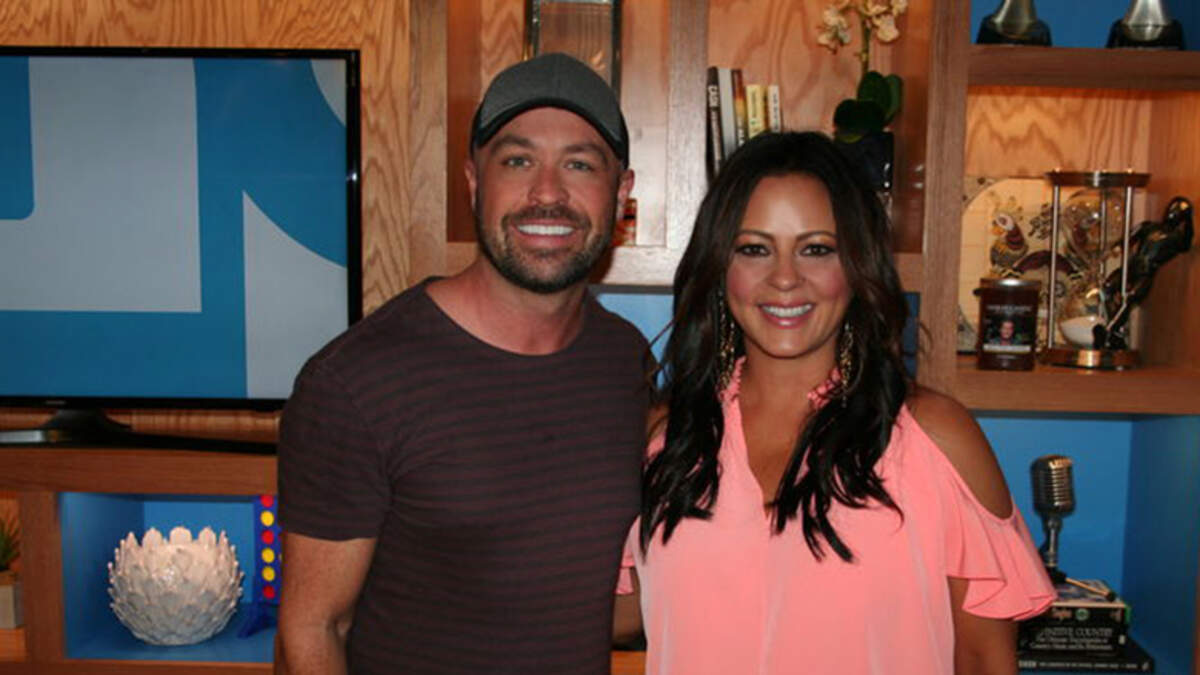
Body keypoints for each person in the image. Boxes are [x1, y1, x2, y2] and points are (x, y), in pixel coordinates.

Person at [615, 131, 1055, 674]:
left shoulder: (935, 439)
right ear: (719, 267)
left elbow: (986, 659)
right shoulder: (664, 438)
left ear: (857, 265)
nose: (785, 278)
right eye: (754, 249)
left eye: (816, 249)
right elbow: (611, 613)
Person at [276, 53, 652, 674]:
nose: (548, 193)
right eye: (518, 161)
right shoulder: (356, 382)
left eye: (580, 164)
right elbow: (312, 630)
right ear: (474, 182)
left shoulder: (625, 363)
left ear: (621, 193)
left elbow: (588, 603)